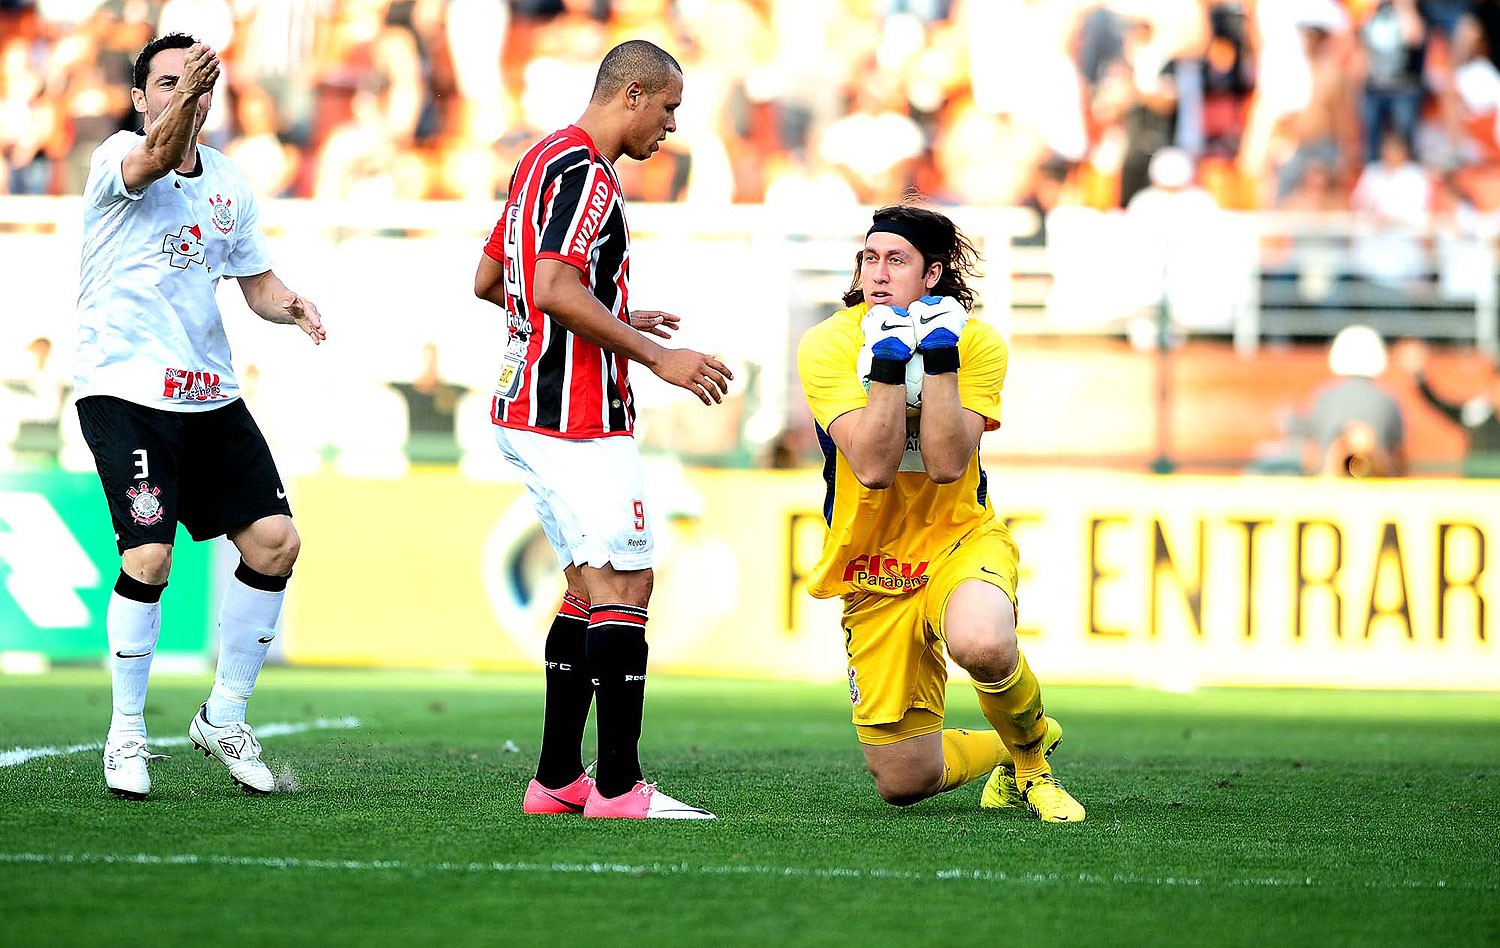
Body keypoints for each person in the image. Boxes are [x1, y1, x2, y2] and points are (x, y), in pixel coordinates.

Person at [472, 39, 731, 820]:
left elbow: (494, 280)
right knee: (627, 583)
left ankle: (556, 779)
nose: (672, 126)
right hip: (576, 417)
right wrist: (657, 355)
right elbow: (551, 286)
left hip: (527, 409)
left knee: (587, 586)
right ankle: (619, 787)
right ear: (634, 94)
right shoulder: (586, 170)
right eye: (670, 107)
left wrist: (608, 316)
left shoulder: (536, 160)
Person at [73, 34, 326, 800]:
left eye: (199, 83)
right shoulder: (117, 159)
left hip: (207, 393)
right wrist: (182, 107)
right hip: (124, 391)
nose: (188, 94)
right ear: (142, 97)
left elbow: (254, 282)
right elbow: (154, 160)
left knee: (277, 543)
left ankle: (223, 715)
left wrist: (291, 306)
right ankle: (125, 737)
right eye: (171, 83)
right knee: (149, 559)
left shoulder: (228, 181)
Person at [796, 203, 1085, 823]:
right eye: (868, 258)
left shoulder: (976, 342)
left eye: (895, 260)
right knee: (905, 780)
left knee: (981, 642)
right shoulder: (827, 344)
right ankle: (1012, 747)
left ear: (932, 275)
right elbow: (873, 466)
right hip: (873, 565)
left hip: (959, 539)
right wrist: (892, 360)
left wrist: (941, 357)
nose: (877, 272)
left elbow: (949, 463)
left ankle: (1033, 764)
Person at [1303, 325, 1406, 476]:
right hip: (1376, 491)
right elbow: (1399, 463)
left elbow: (1311, 456)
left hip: (1328, 490)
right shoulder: (1389, 400)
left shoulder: (1322, 397)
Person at [1397, 339, 1500, 477]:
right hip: (1481, 482)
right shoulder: (1480, 411)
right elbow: (1443, 406)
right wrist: (1421, 380)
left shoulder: (1481, 411)